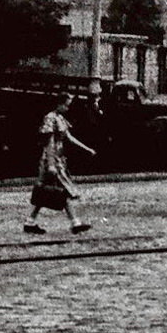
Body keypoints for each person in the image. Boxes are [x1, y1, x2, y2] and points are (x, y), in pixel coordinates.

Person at [27, 94, 95, 236]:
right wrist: (51, 164)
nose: (67, 107)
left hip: (57, 159)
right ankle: (75, 223)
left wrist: (86, 149)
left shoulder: (59, 118)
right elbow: (49, 143)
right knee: (61, 190)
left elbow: (69, 138)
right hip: (51, 160)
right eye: (66, 104)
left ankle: (30, 222)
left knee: (46, 191)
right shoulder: (51, 118)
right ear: (58, 104)